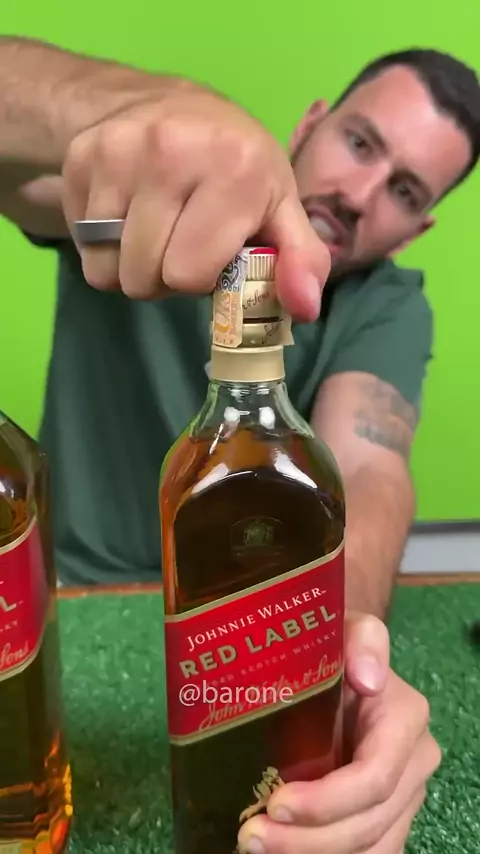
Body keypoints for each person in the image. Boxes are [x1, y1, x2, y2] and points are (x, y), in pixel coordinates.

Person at [1, 35, 479, 854]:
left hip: (253, 657)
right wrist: (139, 105)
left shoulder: (391, 305)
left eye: (403, 189)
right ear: (313, 122)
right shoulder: (152, 186)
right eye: (360, 142)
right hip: (80, 605)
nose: (361, 192)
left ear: (419, 226)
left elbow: (367, 465)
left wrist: (341, 634)